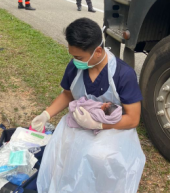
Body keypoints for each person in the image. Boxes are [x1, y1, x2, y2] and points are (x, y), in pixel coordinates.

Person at [33, 18, 146, 193]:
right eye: (73, 55)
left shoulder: (123, 74)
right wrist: (46, 114)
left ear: (98, 51)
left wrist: (99, 124)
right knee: (62, 154)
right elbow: (68, 94)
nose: (75, 60)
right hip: (79, 122)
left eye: (79, 57)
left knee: (98, 158)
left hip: (113, 128)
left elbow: (132, 119)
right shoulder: (75, 67)